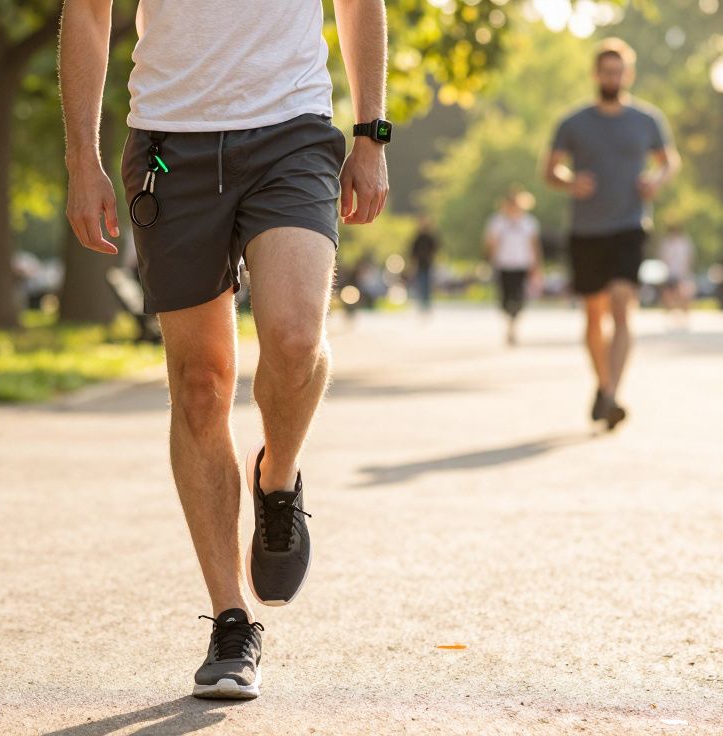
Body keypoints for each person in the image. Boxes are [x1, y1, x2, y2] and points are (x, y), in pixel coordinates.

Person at [61, 0, 390, 700]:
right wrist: (80, 159)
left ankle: (278, 476)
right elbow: (87, 13)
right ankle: (231, 621)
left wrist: (371, 133)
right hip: (167, 145)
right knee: (202, 385)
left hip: (292, 131)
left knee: (296, 339)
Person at [544, 38, 679, 430]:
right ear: (595, 74)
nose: (612, 77)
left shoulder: (647, 120)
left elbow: (669, 161)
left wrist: (656, 179)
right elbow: (550, 169)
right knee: (593, 314)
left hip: (629, 225)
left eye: (618, 71)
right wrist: (571, 182)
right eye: (606, 71)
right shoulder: (573, 122)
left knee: (622, 305)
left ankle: (613, 393)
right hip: (586, 230)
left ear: (628, 74)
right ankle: (602, 385)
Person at [484, 188, 543, 346]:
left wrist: (536, 266)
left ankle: (513, 325)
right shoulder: (497, 222)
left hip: (521, 264)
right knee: (504, 298)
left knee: (518, 297)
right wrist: (490, 258)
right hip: (503, 264)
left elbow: (534, 246)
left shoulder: (529, 223)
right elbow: (490, 243)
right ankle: (509, 320)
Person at [658, 223, 695, 328]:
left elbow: (689, 257)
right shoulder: (666, 243)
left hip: (683, 273)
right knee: (669, 295)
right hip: (670, 273)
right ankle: (670, 316)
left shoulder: (684, 242)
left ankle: (685, 318)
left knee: (685, 295)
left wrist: (686, 270)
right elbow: (663, 257)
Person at [409, 215, 439, 312]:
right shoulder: (418, 237)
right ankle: (422, 302)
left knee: (427, 283)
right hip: (420, 264)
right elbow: (413, 251)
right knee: (421, 283)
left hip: (428, 264)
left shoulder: (430, 237)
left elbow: (435, 248)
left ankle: (426, 303)